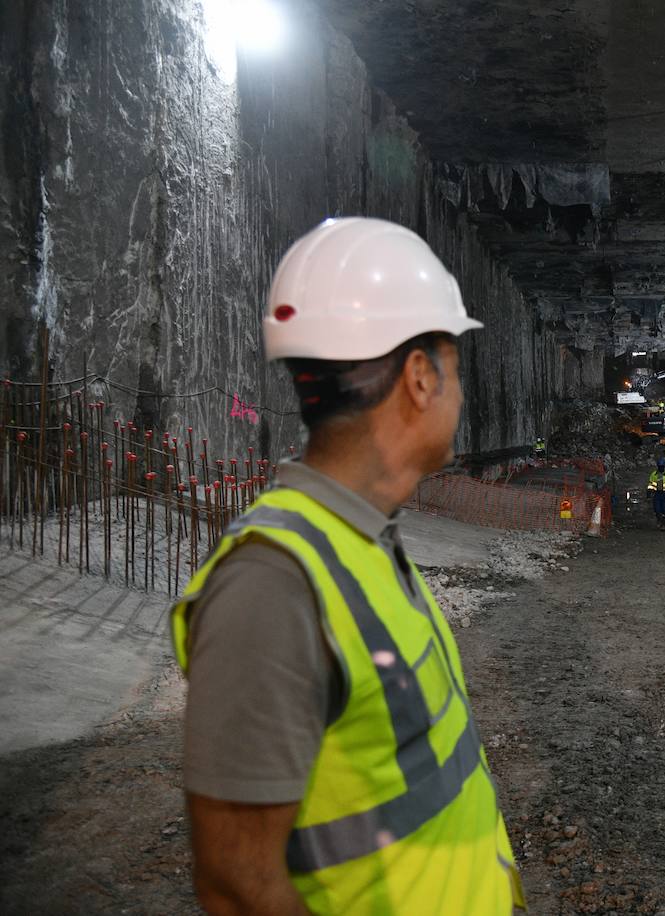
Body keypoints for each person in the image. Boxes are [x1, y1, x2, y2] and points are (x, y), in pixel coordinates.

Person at [172, 218, 525, 915]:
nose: (459, 391)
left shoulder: (360, 542)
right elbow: (236, 884)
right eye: (454, 367)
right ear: (420, 378)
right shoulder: (273, 584)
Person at [647, 459, 665, 530]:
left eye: (662, 466)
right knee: (657, 509)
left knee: (664, 509)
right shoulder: (654, 475)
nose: (661, 468)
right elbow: (650, 485)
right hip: (656, 494)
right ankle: (658, 520)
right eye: (660, 466)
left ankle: (663, 524)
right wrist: (648, 495)